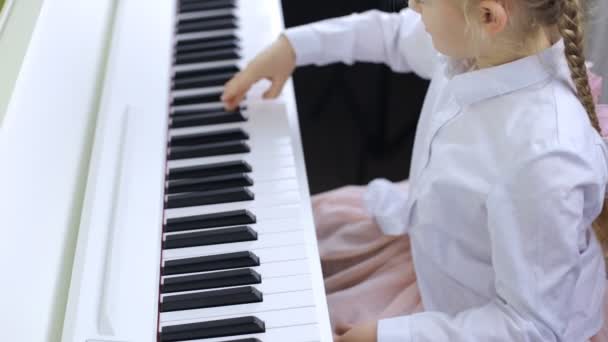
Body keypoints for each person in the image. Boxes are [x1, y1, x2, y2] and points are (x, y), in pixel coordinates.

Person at [221, 0, 608, 340]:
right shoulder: (484, 44)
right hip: (429, 239)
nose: (412, 5)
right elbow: (393, 34)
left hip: (467, 317)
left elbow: (532, 327)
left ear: (489, 15)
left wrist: (388, 335)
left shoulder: (544, 160)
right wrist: (294, 46)